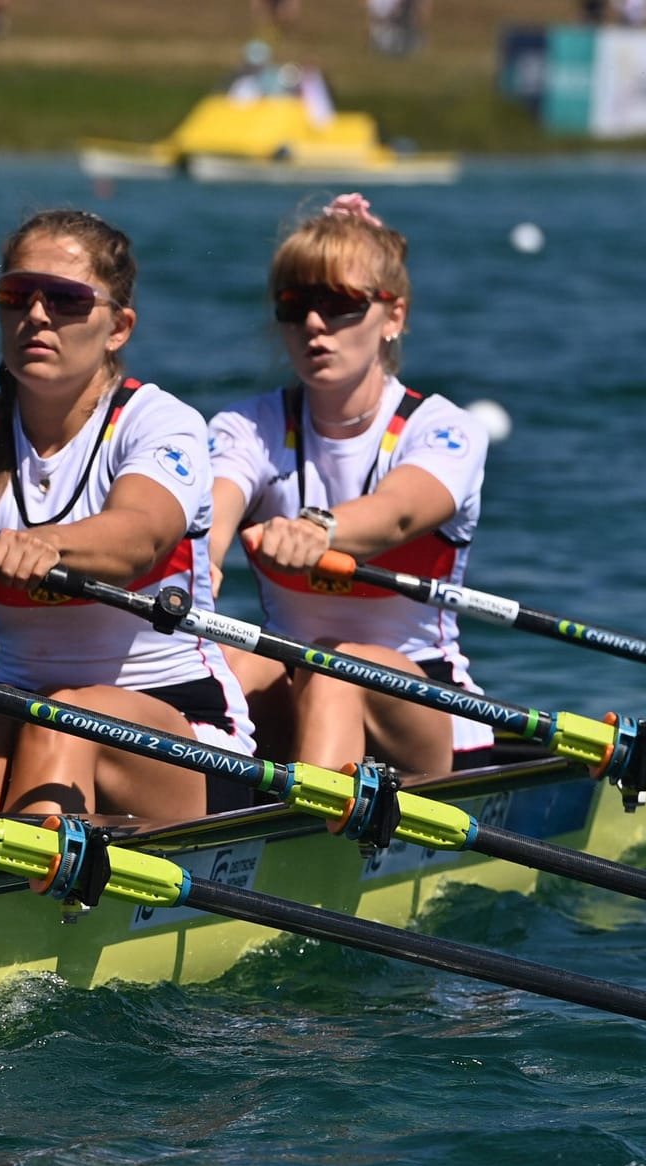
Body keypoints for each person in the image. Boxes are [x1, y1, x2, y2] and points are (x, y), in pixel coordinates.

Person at [0, 210, 255, 823]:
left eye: (67, 299)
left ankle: (17, 900)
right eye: (17, 295)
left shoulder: (160, 424)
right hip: (28, 711)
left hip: (189, 733)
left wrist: (47, 546)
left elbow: (140, 536)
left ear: (118, 327)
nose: (37, 316)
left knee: (62, 718)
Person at [208, 193, 492, 779]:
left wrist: (321, 530)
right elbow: (212, 505)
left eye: (339, 303)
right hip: (296, 673)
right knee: (225, 665)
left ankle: (304, 850)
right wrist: (202, 557)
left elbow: (399, 514)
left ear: (394, 317)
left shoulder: (443, 430)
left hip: (425, 701)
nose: (315, 323)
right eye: (296, 304)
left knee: (335, 669)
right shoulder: (246, 428)